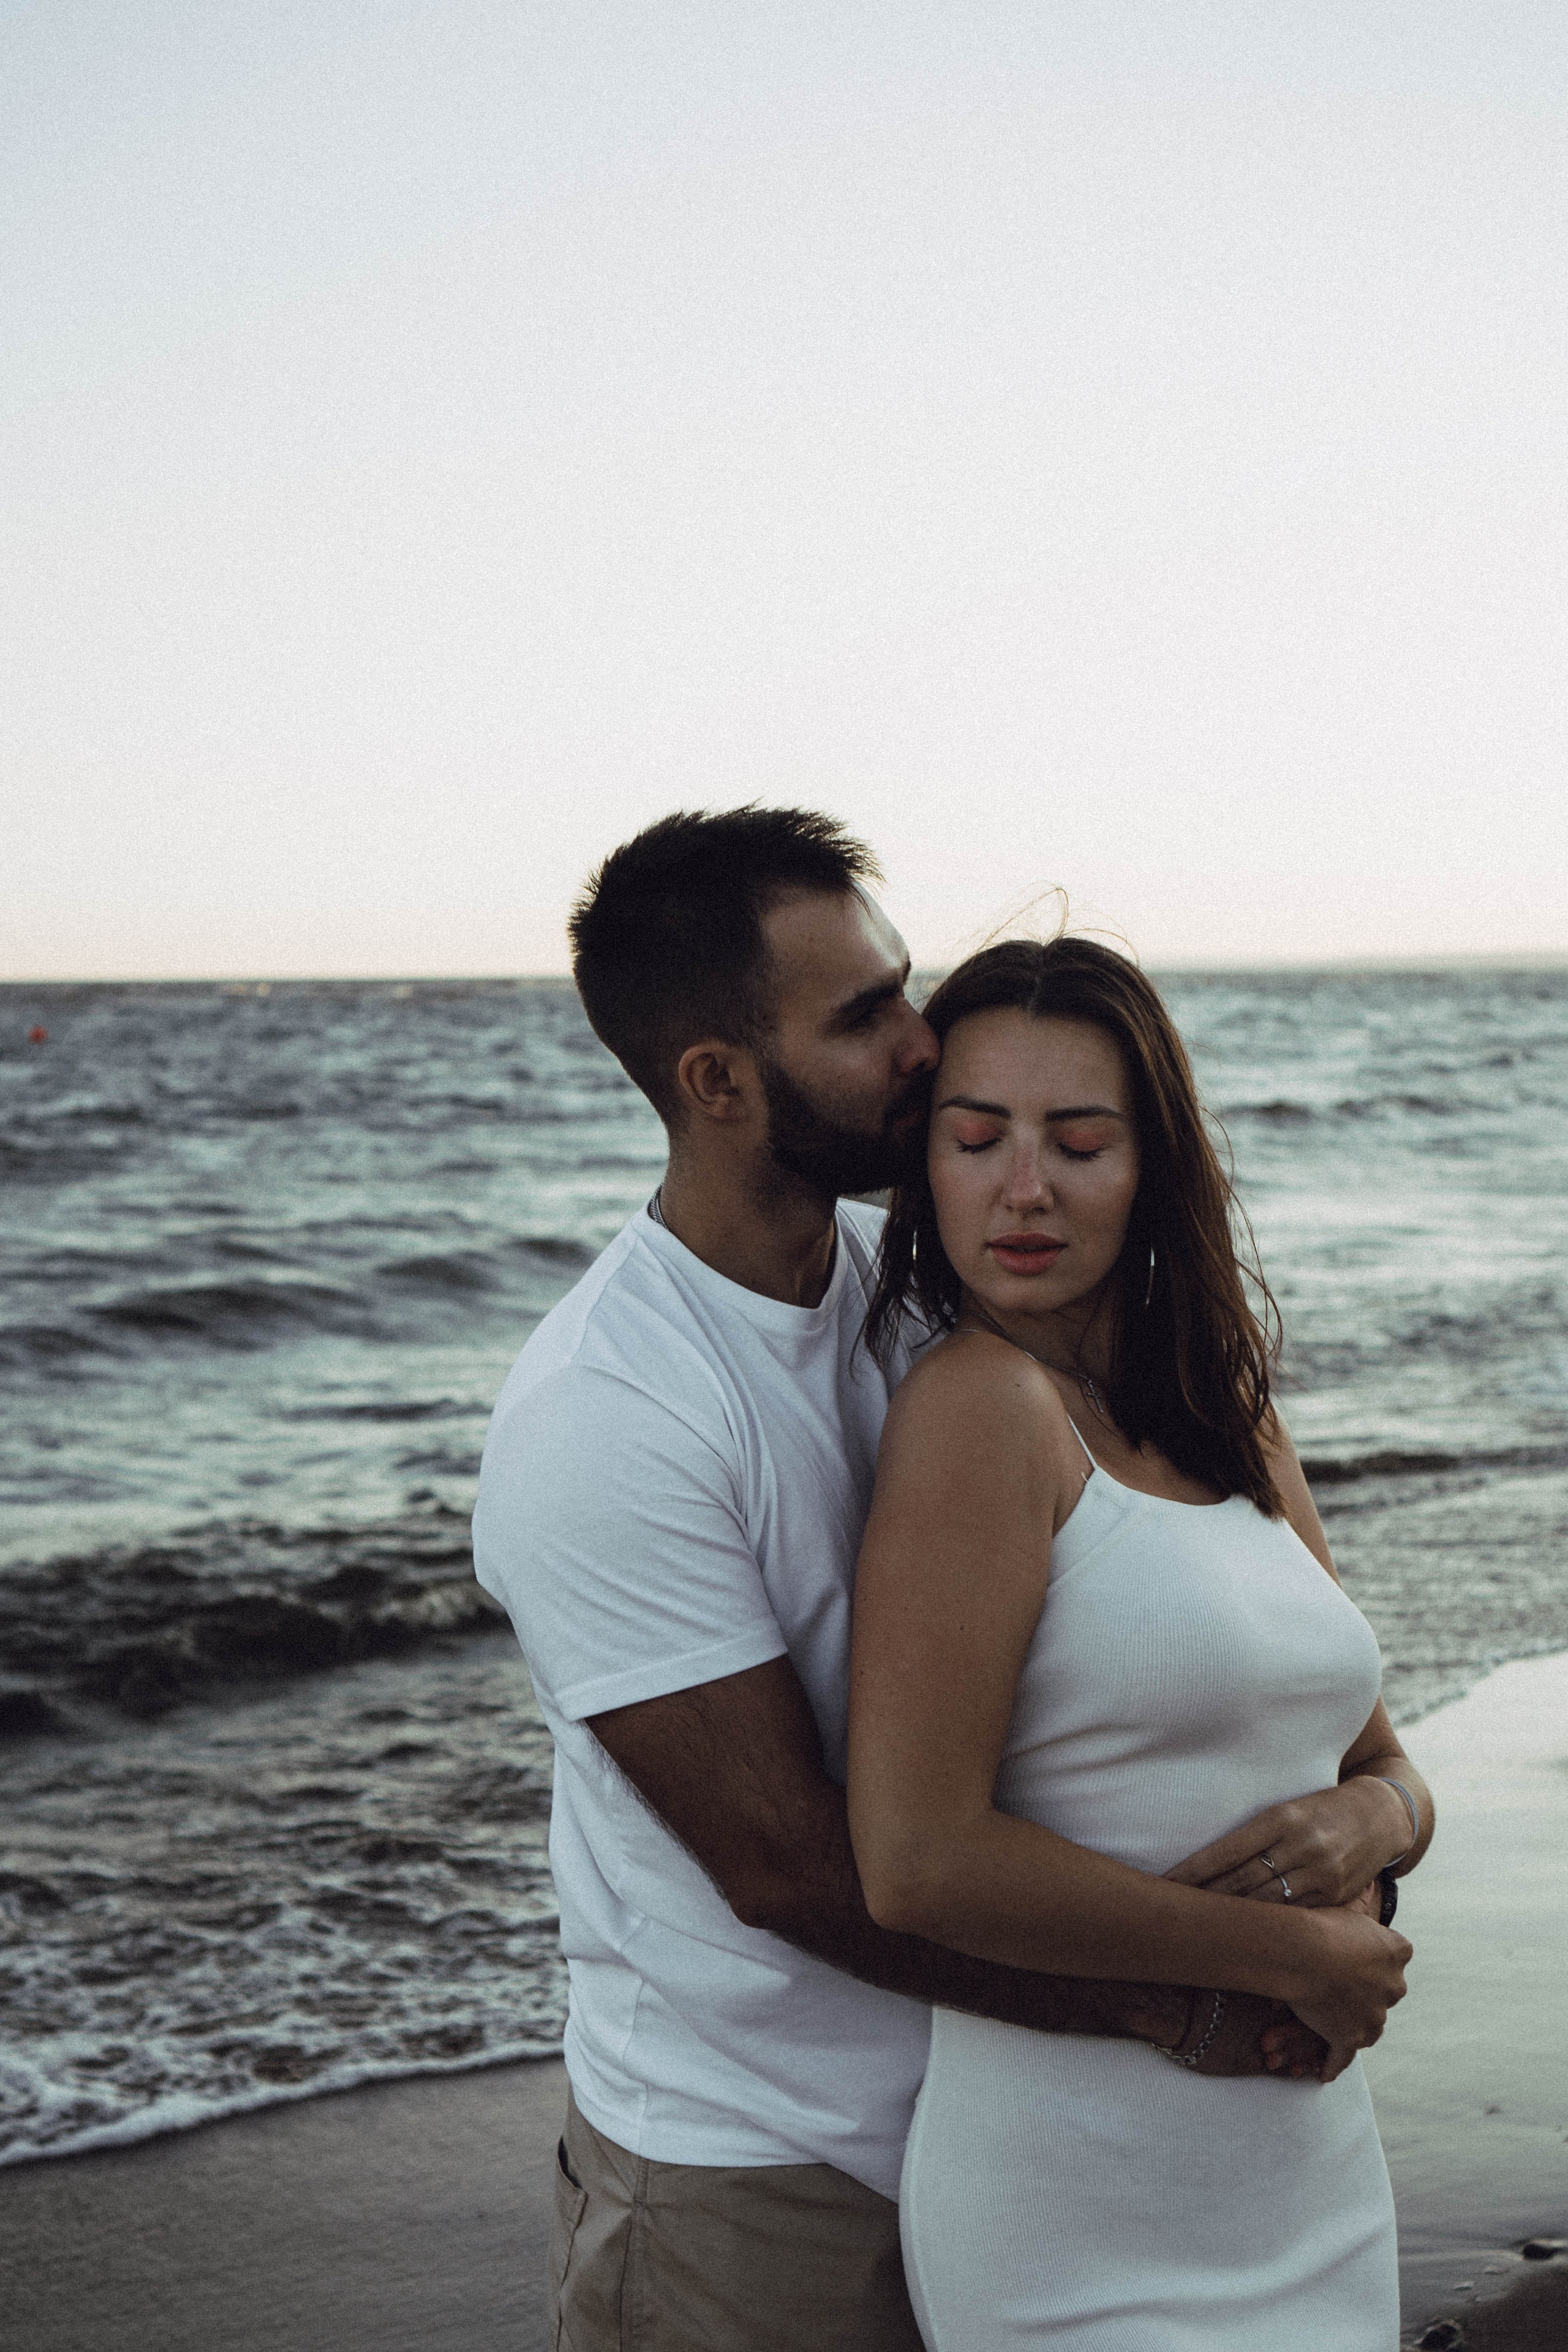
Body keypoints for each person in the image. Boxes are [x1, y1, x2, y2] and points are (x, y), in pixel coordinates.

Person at [473, 809, 1384, 2352]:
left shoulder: (914, 1311)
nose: (919, 1042)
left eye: (899, 989)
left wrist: (1367, 1820)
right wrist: (1196, 2001)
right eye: (862, 1016)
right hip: (756, 2174)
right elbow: (792, 1869)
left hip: (1004, 2110)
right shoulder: (604, 1417)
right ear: (716, 1083)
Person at [846, 935, 1431, 2351]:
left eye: (1080, 1141)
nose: (1023, 1186)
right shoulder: (977, 1411)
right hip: (1079, 2203)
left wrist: (1368, 1824)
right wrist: (1275, 1954)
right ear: (923, 1164)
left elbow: (1379, 1759)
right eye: (973, 1137)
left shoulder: (1223, 1408)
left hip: (1307, 2177)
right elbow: (915, 1860)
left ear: (1150, 1162)